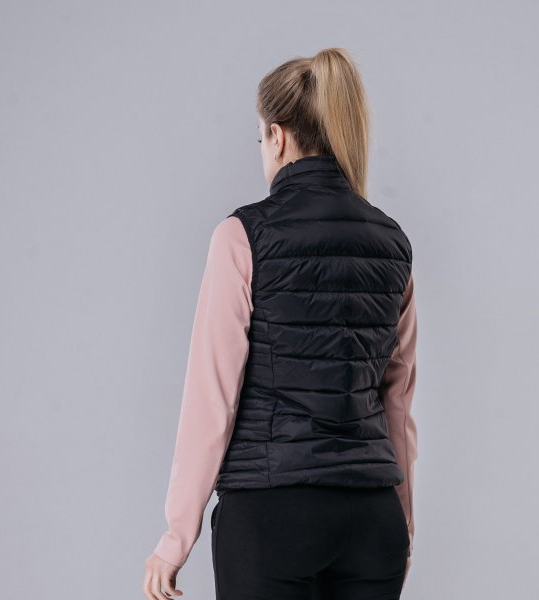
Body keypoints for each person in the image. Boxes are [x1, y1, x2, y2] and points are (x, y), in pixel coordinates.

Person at [143, 47, 418, 600]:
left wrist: (177, 537)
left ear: (277, 136)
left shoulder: (243, 236)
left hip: (271, 516)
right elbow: (398, 401)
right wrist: (403, 526)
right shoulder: (393, 243)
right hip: (373, 520)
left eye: (259, 139)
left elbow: (211, 397)